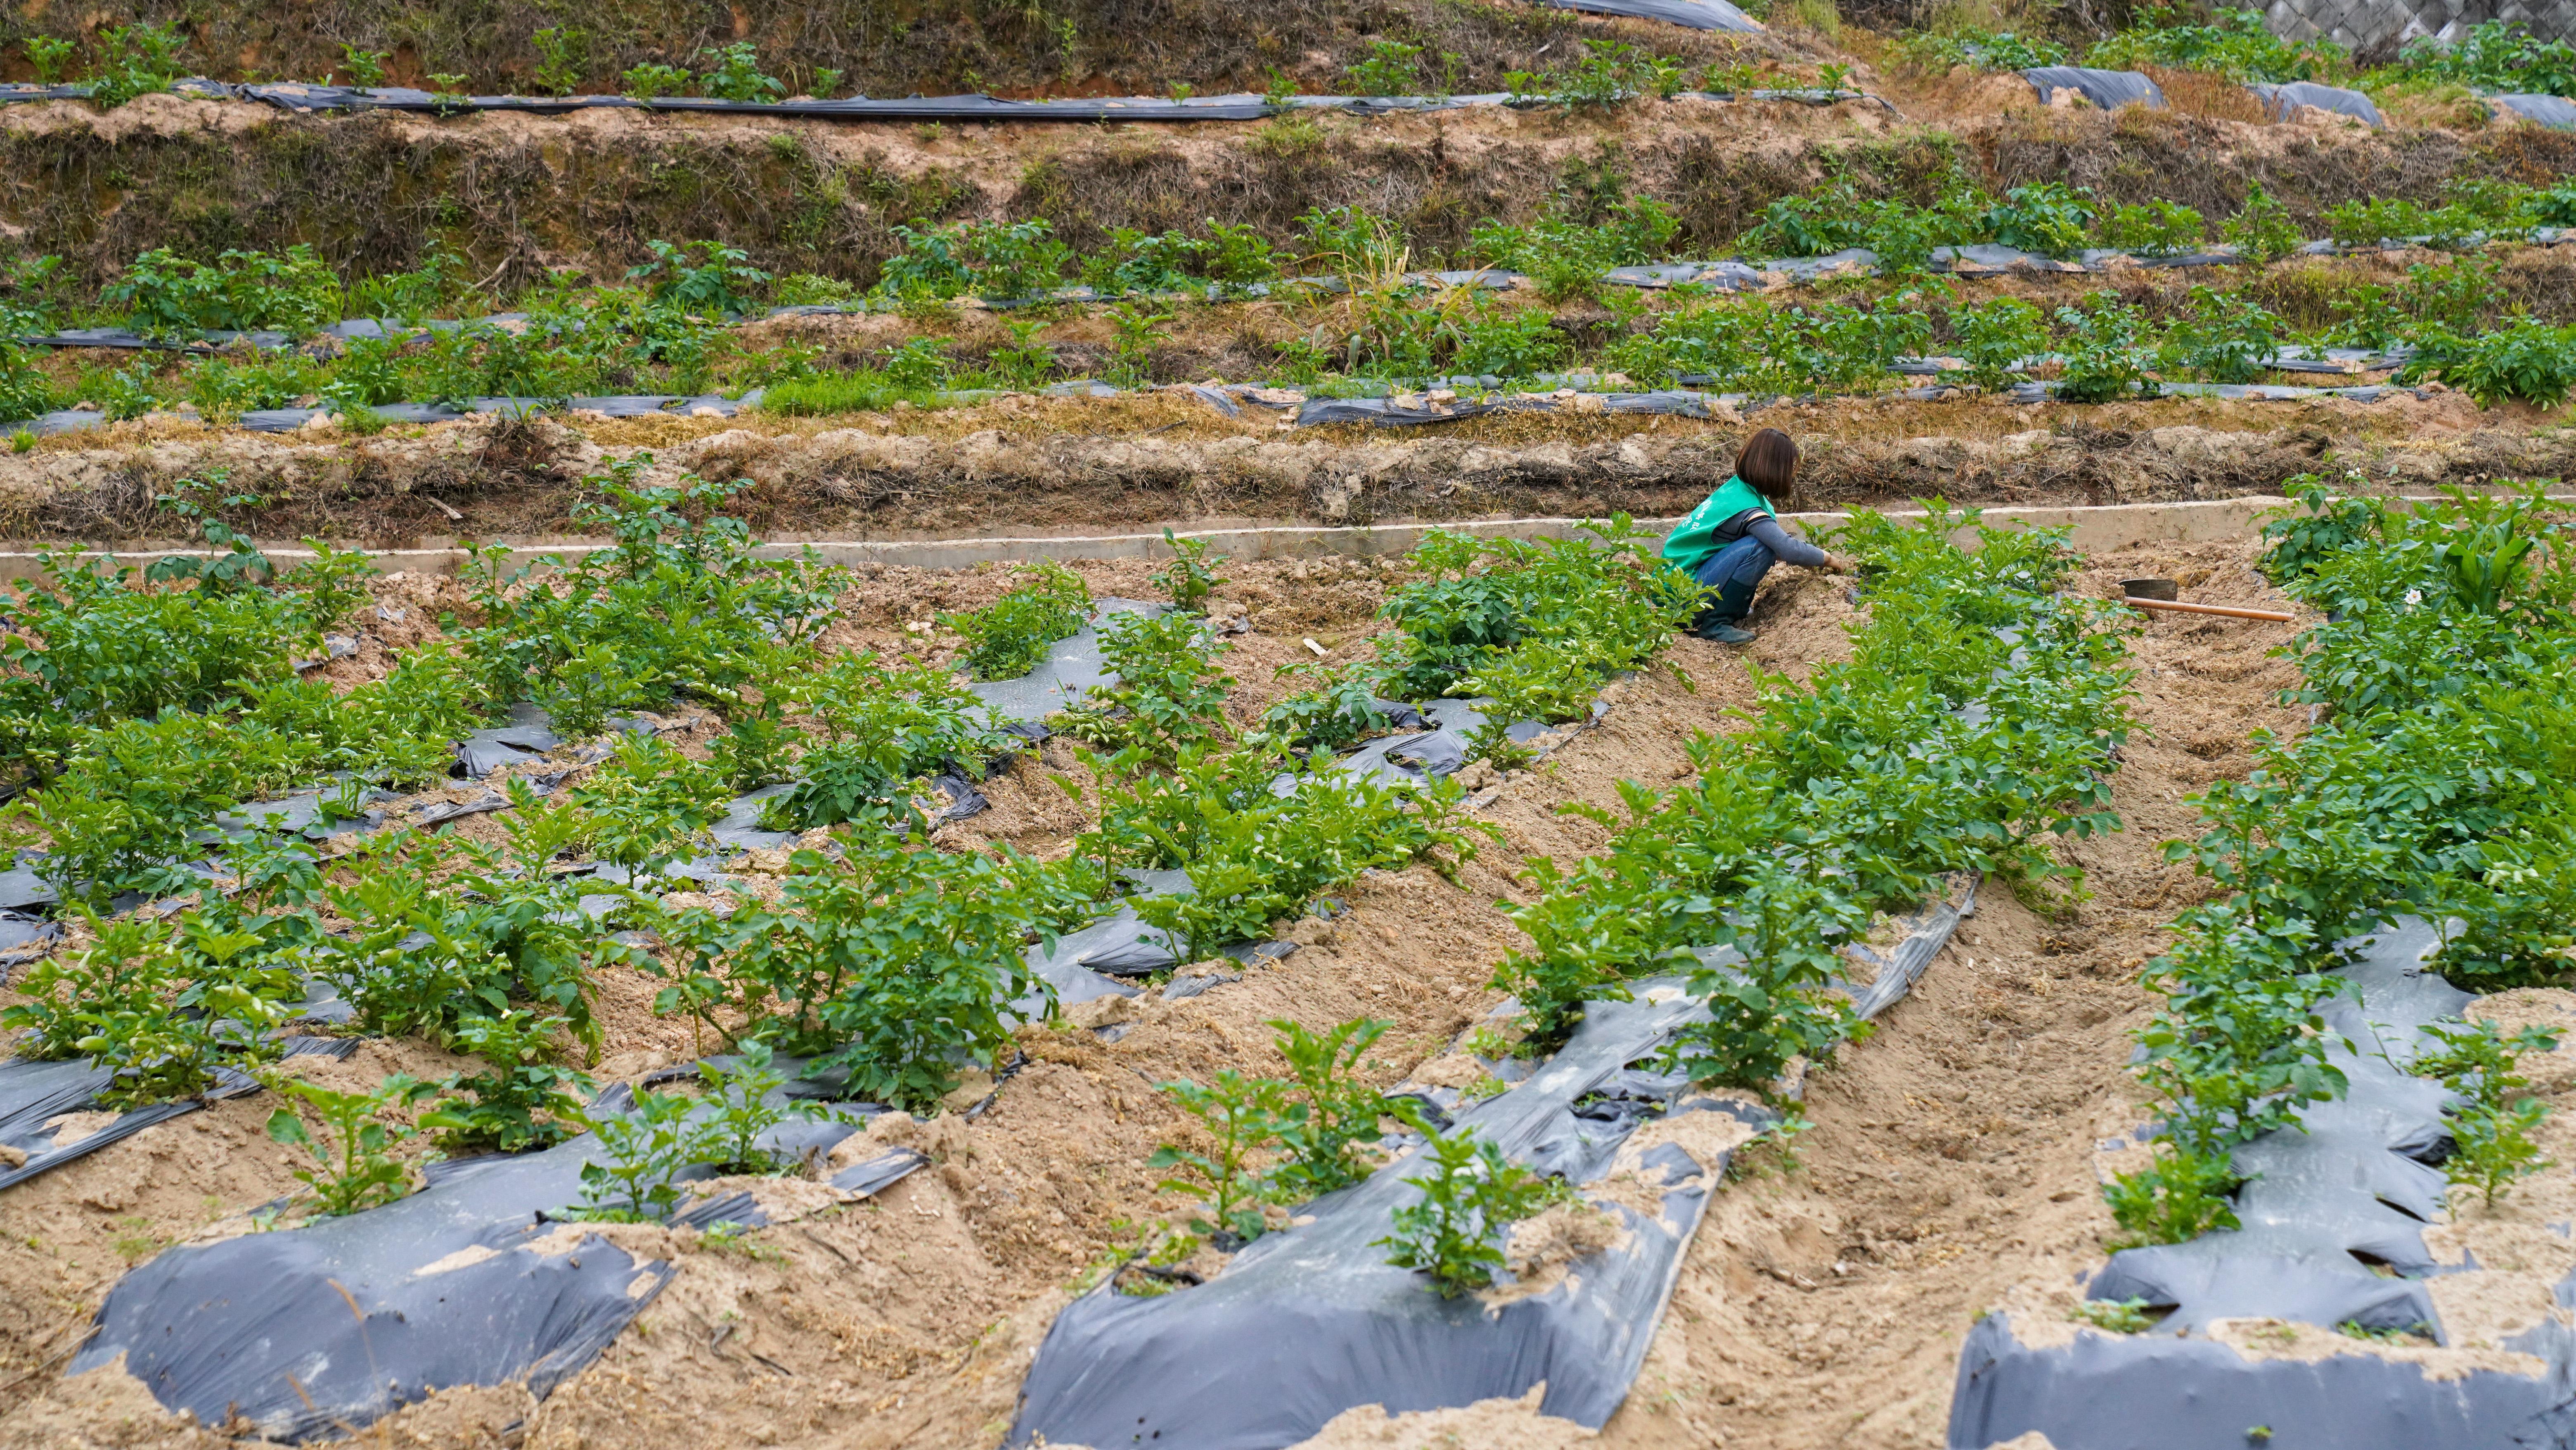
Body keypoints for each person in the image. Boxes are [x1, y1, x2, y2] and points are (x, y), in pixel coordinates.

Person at [1660, 428, 1852, 644]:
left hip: (1671, 596)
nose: (1791, 475)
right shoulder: (1747, 508)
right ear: (1776, 468)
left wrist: (1806, 557)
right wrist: (1826, 558)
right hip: (1681, 603)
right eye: (1790, 468)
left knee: (1761, 546)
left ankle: (1729, 611)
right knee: (1760, 548)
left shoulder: (1736, 491)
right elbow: (1786, 549)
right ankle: (1717, 624)